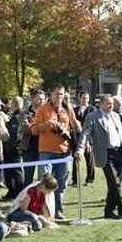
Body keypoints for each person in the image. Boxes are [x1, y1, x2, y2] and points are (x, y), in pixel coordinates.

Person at [75, 95, 122, 219]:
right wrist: (80, 149)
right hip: (106, 154)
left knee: (114, 184)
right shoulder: (93, 117)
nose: (110, 106)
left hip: (120, 153)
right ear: (100, 104)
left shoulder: (116, 116)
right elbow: (85, 134)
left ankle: (108, 211)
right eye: (107, 103)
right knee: (114, 182)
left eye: (111, 103)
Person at [30, 84, 80, 219]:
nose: (59, 97)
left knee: (61, 184)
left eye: (62, 94)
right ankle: (42, 210)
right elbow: (33, 130)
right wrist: (47, 125)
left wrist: (68, 130)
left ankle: (58, 210)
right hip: (46, 151)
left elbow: (75, 126)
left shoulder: (67, 109)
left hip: (64, 152)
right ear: (50, 94)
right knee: (45, 182)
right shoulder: (42, 109)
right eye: (57, 94)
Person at [21, 88, 46, 185]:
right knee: (28, 177)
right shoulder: (25, 113)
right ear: (32, 99)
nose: (41, 101)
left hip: (44, 148)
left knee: (44, 178)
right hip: (29, 148)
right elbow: (25, 130)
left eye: (43, 99)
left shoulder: (46, 113)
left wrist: (34, 126)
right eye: (39, 99)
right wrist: (39, 127)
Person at [3, 96, 26, 199]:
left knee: (16, 172)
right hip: (15, 148)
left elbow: (15, 135)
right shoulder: (19, 116)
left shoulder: (17, 117)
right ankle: (12, 191)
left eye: (11, 104)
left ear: (14, 104)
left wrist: (8, 147)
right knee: (10, 172)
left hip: (14, 149)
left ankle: (18, 191)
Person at [71, 92, 96, 187]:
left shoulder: (92, 109)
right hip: (76, 138)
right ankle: (75, 181)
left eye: (87, 98)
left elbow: (93, 127)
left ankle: (90, 178)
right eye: (83, 98)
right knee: (75, 159)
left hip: (88, 137)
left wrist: (88, 142)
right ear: (79, 98)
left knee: (89, 159)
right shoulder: (74, 110)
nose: (85, 100)